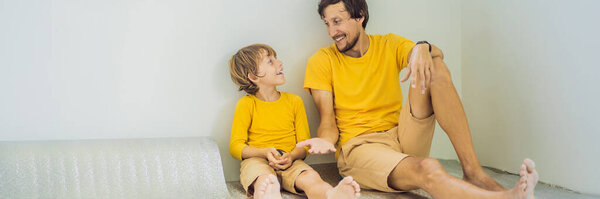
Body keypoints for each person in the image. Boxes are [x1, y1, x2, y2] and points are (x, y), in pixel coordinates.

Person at [297, 0, 539, 198]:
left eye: (337, 21)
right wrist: (324, 140)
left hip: (401, 135)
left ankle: (472, 170)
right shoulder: (322, 61)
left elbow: (434, 54)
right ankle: (505, 198)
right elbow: (327, 121)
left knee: (435, 65)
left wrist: (422, 47)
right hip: (361, 147)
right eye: (327, 24)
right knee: (429, 168)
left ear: (359, 16)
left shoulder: (388, 44)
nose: (331, 32)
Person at [228, 44, 361, 199]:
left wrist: (291, 157)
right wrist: (263, 152)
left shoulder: (294, 101)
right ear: (253, 77)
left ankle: (330, 194)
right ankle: (269, 194)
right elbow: (235, 147)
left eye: (276, 59)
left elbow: (303, 144)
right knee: (264, 180)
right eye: (270, 61)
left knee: (312, 178)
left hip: (290, 161)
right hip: (257, 161)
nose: (280, 63)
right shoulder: (246, 104)